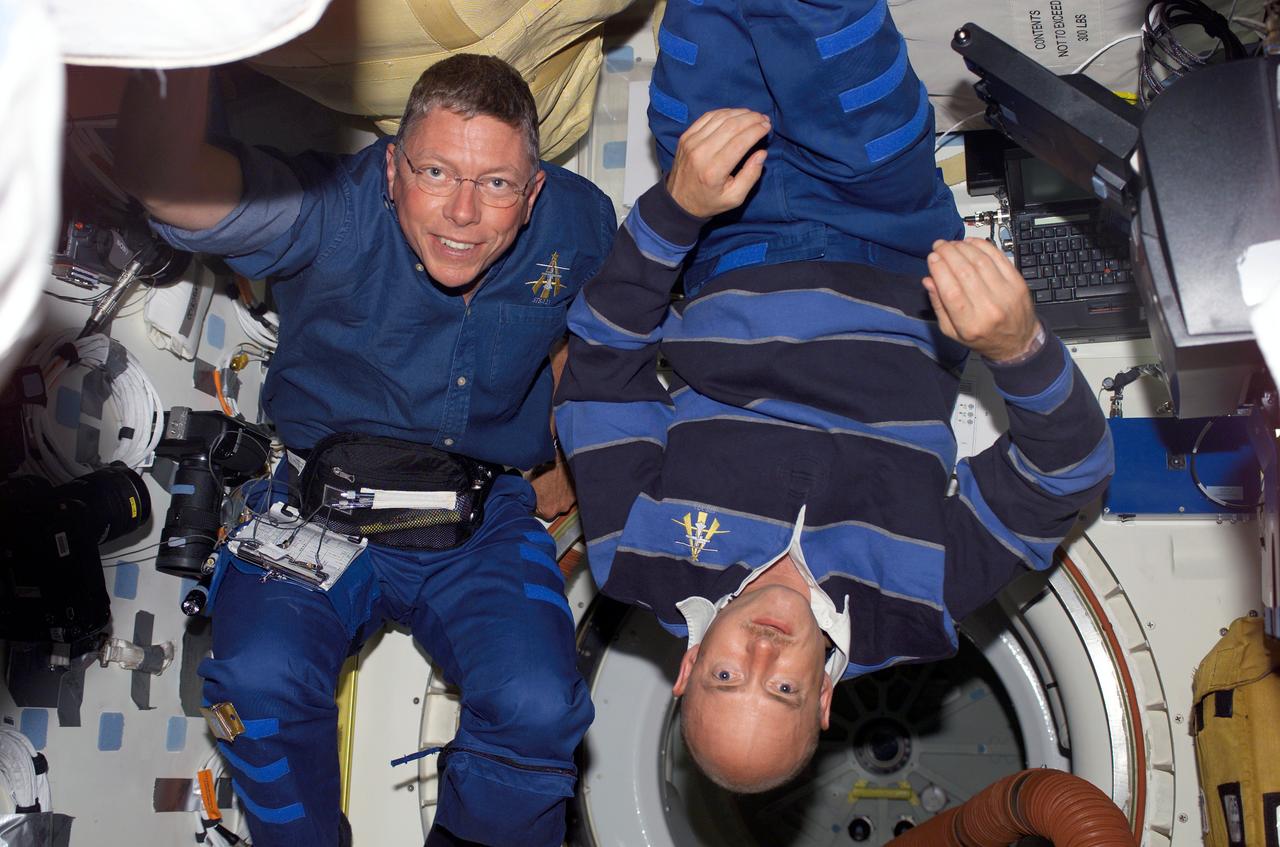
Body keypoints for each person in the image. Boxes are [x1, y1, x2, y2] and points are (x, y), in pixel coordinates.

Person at [554, 0, 1113, 793]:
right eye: (781, 688)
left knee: (700, 27)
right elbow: (1069, 476)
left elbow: (602, 367)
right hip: (890, 222)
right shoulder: (921, 604)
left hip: (724, 230)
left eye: (725, 679)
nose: (762, 654)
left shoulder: (636, 559)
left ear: (687, 668)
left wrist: (673, 212)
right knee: (824, 20)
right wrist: (1019, 347)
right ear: (821, 700)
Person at [114, 55, 616, 846]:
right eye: (436, 171)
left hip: (482, 518)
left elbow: (595, 320)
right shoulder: (335, 209)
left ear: (534, 191)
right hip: (318, 502)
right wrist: (171, 47)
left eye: (496, 185)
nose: (461, 213)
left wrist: (566, 441)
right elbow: (180, 191)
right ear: (391, 168)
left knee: (541, 703)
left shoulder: (580, 220)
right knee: (256, 681)